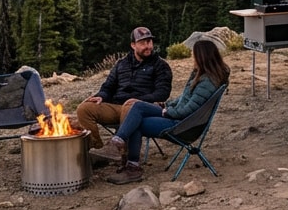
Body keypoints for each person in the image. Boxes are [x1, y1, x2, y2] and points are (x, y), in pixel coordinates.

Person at [105, 36, 230, 184]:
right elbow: (184, 99)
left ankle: (127, 160)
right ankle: (122, 150)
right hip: (179, 118)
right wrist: (165, 105)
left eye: (194, 55)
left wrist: (167, 112)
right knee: (137, 109)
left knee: (137, 116)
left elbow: (189, 109)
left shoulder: (207, 82)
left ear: (202, 57)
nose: (192, 58)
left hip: (182, 125)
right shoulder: (202, 76)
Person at [75, 26, 173, 163]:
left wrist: (139, 100)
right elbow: (108, 86)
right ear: (133, 45)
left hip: (141, 109)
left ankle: (123, 154)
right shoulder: (122, 64)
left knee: (132, 106)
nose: (148, 46)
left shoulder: (160, 65)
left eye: (150, 42)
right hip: (117, 106)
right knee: (84, 109)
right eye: (143, 43)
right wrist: (101, 96)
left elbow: (163, 92)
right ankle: (98, 151)